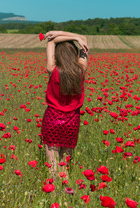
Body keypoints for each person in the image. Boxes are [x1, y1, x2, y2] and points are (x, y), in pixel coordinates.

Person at [41, 31, 88, 181]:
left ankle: (54, 196)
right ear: (74, 54)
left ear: (57, 55)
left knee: (52, 164)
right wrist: (77, 37)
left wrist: (61, 35)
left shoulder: (52, 68)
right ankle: (66, 195)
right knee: (64, 164)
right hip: (72, 121)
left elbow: (51, 41)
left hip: (52, 119)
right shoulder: (81, 69)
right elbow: (84, 39)